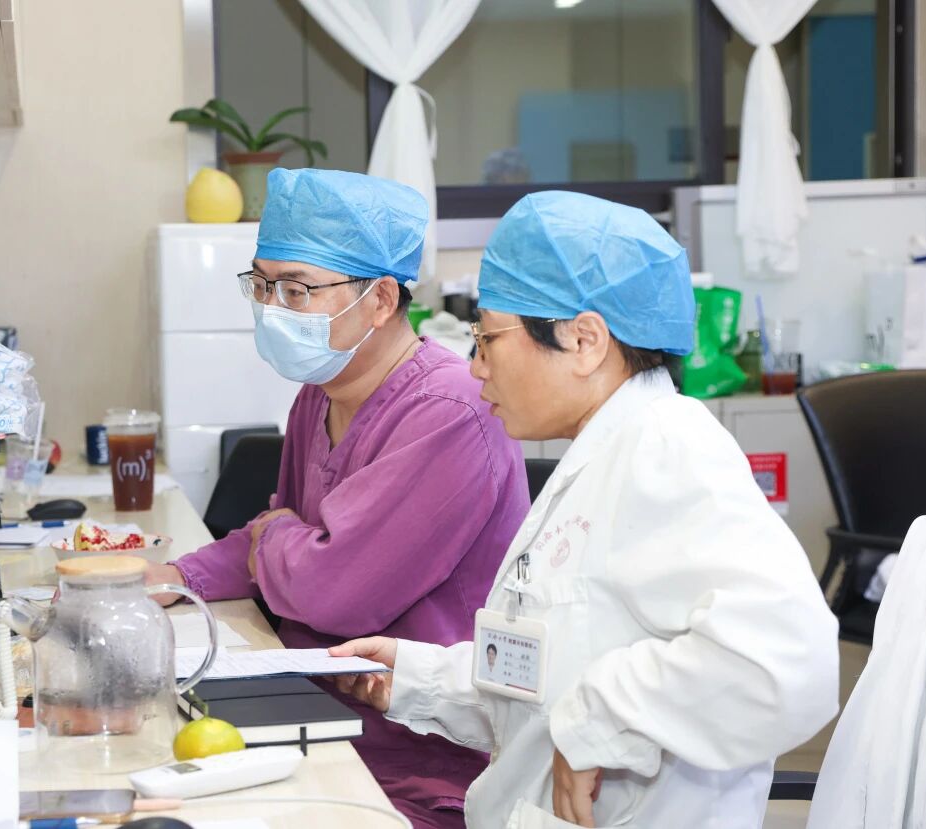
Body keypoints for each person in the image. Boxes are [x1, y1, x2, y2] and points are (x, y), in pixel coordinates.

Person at [330, 191, 840, 828]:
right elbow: (553, 677)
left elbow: (787, 661)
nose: (476, 367)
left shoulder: (668, 447)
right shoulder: (599, 457)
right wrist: (415, 676)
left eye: (488, 338)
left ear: (584, 340)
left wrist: (598, 720)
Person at [147, 168, 529, 829]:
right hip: (316, 717)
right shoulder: (320, 395)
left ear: (380, 299)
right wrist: (175, 577)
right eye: (262, 284)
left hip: (419, 764)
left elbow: (334, 590)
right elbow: (283, 535)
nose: (272, 307)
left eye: (296, 289)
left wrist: (278, 537)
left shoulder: (450, 411)